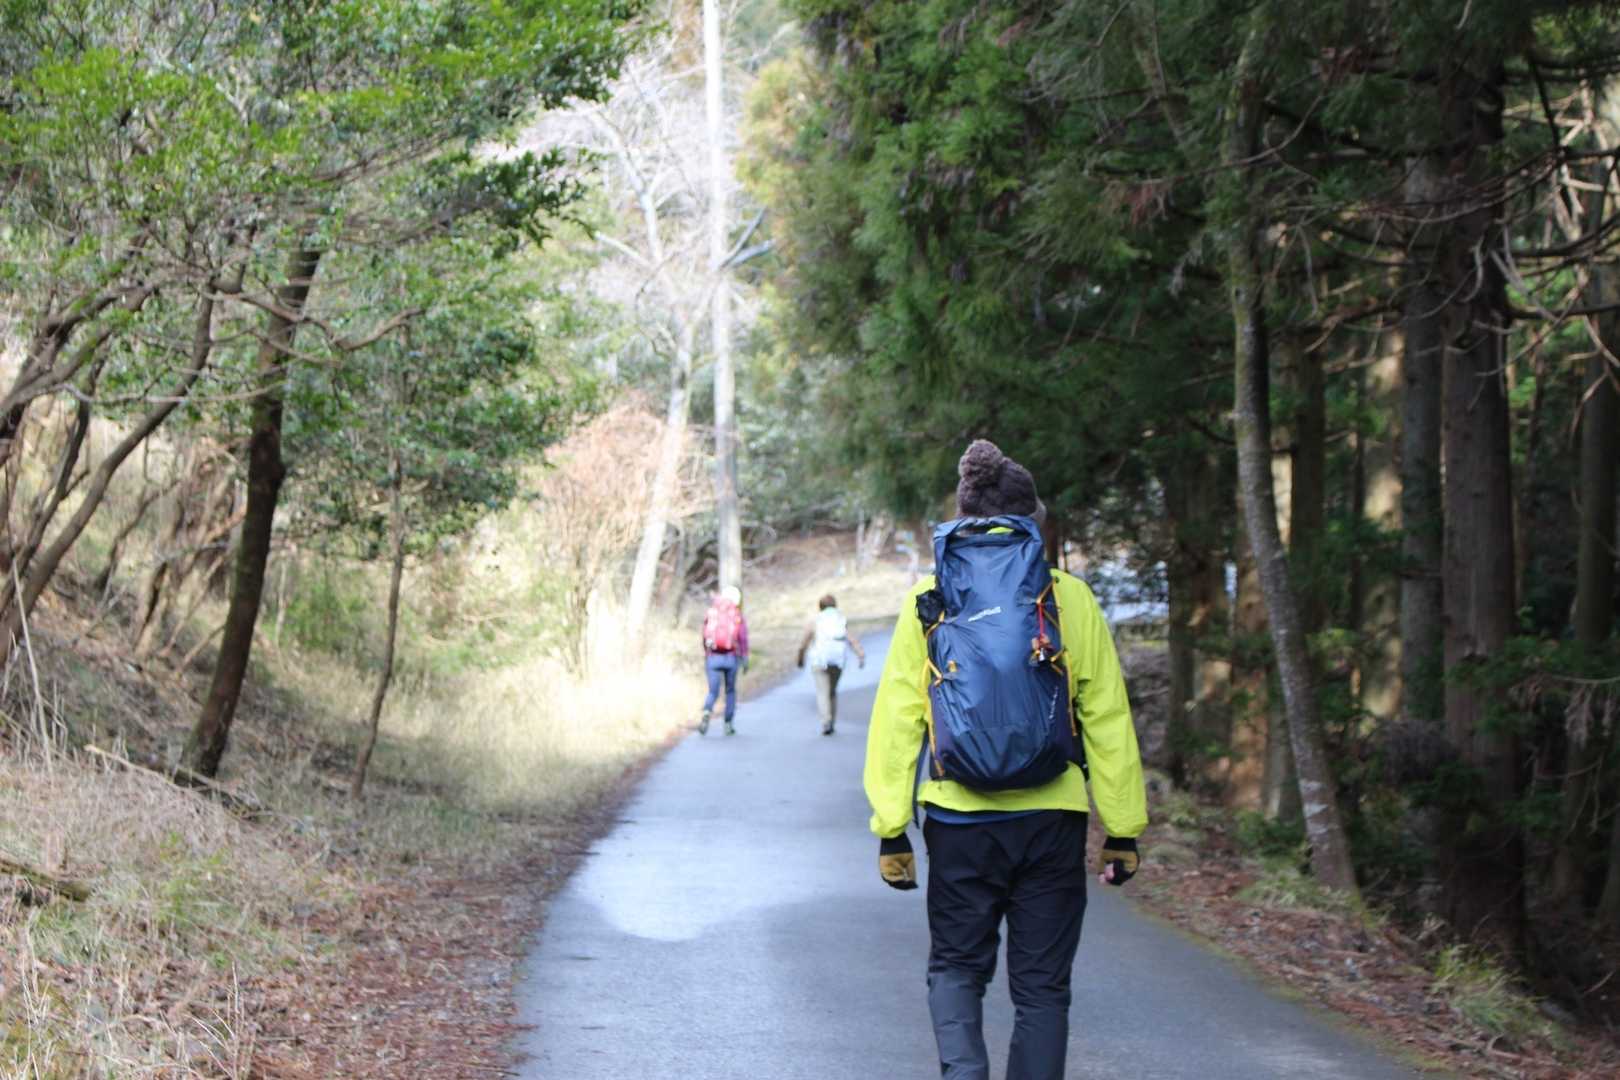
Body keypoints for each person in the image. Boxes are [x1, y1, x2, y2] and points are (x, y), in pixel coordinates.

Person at [863, 440, 1147, 1080]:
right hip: (1052, 819)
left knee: (956, 968)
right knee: (1042, 989)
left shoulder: (930, 598)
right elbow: (1106, 716)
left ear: (962, 518)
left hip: (958, 819)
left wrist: (891, 829)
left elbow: (899, 720)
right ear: (1032, 522)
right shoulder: (1069, 598)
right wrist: (1123, 828)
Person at [796, 594, 866, 736]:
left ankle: (826, 721)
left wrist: (800, 659)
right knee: (832, 691)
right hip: (837, 661)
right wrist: (860, 654)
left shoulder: (816, 621)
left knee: (822, 692)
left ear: (820, 607)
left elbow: (803, 643)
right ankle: (831, 722)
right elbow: (851, 639)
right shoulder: (840, 620)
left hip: (819, 661)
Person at [698, 585, 749, 736]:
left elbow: (704, 635)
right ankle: (728, 723)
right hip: (731, 657)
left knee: (713, 691)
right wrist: (744, 657)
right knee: (730, 691)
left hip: (713, 657)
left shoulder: (712, 612)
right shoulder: (737, 614)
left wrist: (707, 653)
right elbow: (743, 638)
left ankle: (707, 711)